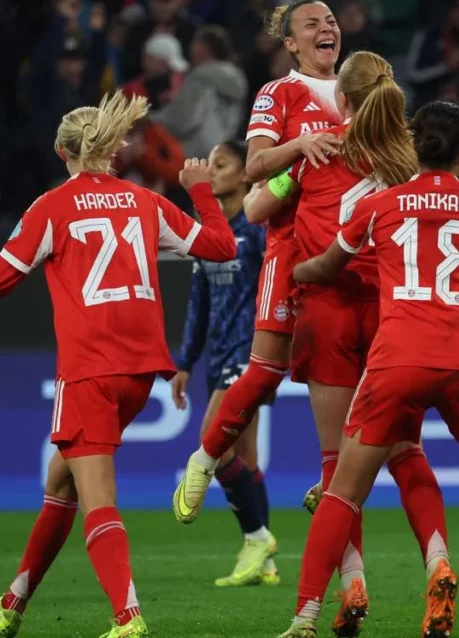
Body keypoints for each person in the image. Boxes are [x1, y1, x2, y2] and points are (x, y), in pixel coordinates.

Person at [0, 91, 236, 638]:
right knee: (63, 480)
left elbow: (4, 272)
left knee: (97, 497)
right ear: (112, 149)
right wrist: (201, 191)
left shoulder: (52, 207)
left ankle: (128, 616)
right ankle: (15, 598)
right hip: (140, 371)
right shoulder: (146, 201)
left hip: (90, 369)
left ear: (62, 151)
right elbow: (221, 246)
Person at [277, 101, 459, 638]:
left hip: (398, 359)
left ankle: (305, 616)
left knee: (343, 491)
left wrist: (294, 270)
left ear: (412, 147)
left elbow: (326, 266)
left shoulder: (380, 205)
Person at [244, 51, 449, 635]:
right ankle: (438, 562)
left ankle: (351, 584)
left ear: (342, 100)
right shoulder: (408, 160)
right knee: (406, 451)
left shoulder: (319, 148)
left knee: (337, 466)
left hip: (328, 312)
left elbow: (254, 205)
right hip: (392, 315)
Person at [171, 140, 279, 588]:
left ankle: (257, 538)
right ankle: (264, 562)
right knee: (246, 457)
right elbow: (198, 301)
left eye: (221, 164)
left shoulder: (258, 231)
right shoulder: (211, 234)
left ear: (245, 175)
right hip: (218, 356)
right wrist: (185, 361)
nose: (211, 171)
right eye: (210, 165)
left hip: (249, 354)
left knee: (211, 443)